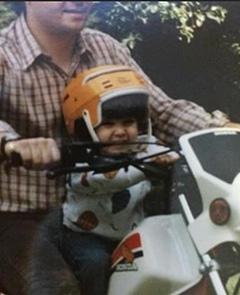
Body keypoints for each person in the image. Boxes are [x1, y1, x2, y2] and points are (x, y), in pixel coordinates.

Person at [0, 2, 240, 295]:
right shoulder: (4, 54)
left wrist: (228, 129)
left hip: (110, 212)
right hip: (25, 217)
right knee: (56, 289)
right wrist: (12, 143)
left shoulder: (105, 48)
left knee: (193, 268)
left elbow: (161, 111)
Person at [29, 65, 179, 295]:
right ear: (85, 126)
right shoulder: (81, 161)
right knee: (96, 264)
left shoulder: (143, 146)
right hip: (85, 236)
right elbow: (107, 181)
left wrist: (173, 157)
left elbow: (164, 153)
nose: (120, 131)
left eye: (128, 122)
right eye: (108, 124)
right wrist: (147, 168)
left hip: (131, 232)